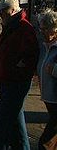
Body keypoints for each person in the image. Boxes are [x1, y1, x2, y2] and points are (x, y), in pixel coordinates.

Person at [0, 0, 39, 150]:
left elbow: (29, 56)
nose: (0, 15)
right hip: (10, 80)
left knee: (2, 123)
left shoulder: (22, 29)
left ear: (11, 11)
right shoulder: (14, 27)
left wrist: (17, 70)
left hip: (14, 82)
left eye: (2, 12)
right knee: (16, 123)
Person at [38, 9, 57, 150]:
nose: (42, 32)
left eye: (45, 29)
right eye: (41, 28)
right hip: (49, 99)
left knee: (45, 143)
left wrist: (54, 70)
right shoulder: (46, 47)